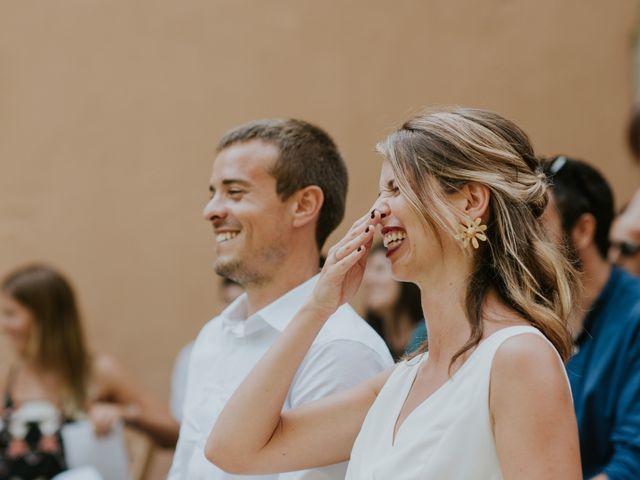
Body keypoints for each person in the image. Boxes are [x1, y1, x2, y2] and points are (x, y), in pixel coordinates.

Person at [207, 108, 582, 479]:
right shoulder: (397, 383)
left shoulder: (518, 360)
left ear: (469, 202)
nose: (376, 211)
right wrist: (318, 308)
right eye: (379, 193)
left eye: (396, 188)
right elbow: (232, 450)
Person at [168, 118, 393, 479]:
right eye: (212, 192)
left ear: (304, 205)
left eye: (235, 192)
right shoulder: (214, 335)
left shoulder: (341, 349)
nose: (210, 210)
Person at [0, 264, 179, 479]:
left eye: (11, 314)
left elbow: (175, 434)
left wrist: (125, 414)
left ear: (44, 319)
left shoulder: (98, 372)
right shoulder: (8, 379)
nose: (4, 325)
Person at [542, 155, 640, 479]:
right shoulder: (530, 315)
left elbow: (632, 464)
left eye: (537, 226)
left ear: (583, 229)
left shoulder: (634, 317)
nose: (521, 243)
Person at [170, 277, 244, 422]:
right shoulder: (192, 353)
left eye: (240, 302)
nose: (232, 309)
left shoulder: (267, 352)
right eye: (228, 301)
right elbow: (180, 416)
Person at [362, 243, 424, 359]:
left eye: (379, 269)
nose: (368, 279)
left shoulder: (428, 334)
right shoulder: (370, 341)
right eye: (367, 271)